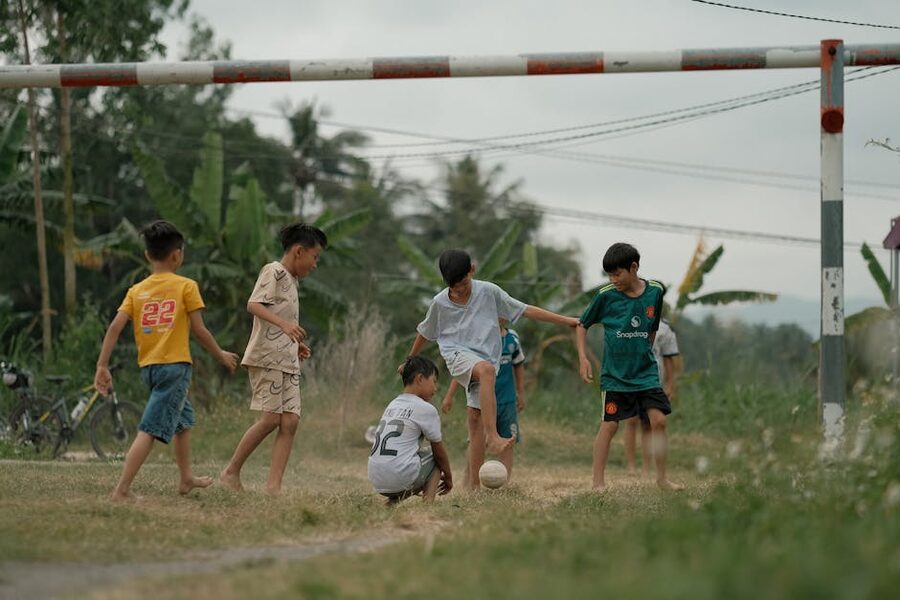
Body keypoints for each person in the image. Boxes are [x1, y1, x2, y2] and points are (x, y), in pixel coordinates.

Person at [94, 220, 239, 501]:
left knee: (182, 421)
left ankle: (186, 478)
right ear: (178, 255)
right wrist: (220, 354)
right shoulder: (186, 286)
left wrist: (102, 365)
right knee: (149, 429)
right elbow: (199, 330)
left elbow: (114, 328)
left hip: (150, 368)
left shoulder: (136, 291)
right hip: (176, 368)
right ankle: (121, 490)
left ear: (148, 255)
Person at [406, 249, 578, 456]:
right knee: (486, 371)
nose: (459, 290)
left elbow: (525, 310)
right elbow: (424, 332)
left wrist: (567, 320)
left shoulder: (489, 292)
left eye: (463, 283)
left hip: (486, 359)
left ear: (472, 270)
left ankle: (474, 485)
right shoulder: (439, 303)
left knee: (475, 416)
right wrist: (410, 360)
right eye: (454, 286)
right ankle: (493, 436)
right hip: (456, 354)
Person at [219, 223, 326, 496]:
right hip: (266, 357)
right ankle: (230, 472)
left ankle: (273, 487)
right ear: (299, 251)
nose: (315, 265)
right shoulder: (274, 271)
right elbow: (254, 305)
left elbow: (284, 319)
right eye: (315, 257)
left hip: (286, 359)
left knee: (290, 421)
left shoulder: (293, 281)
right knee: (270, 419)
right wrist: (285, 327)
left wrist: (296, 343)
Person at [575, 242, 683, 493]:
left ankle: (662, 479)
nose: (613, 280)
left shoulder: (655, 291)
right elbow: (582, 325)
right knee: (610, 425)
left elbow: (653, 325)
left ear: (634, 267)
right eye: (609, 275)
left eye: (617, 274)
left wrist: (644, 348)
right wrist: (583, 358)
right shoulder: (605, 296)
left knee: (659, 422)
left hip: (645, 374)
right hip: (615, 377)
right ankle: (598, 483)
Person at [442, 320, 525, 489]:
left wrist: (520, 393)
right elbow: (462, 369)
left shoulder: (513, 338)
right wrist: (449, 396)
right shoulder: (479, 340)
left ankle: (504, 484)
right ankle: (469, 483)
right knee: (476, 441)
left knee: (508, 442)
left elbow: (518, 366)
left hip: (507, 401)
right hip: (482, 402)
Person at [368, 356, 453, 504]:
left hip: (377, 480)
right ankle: (427, 507)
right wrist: (449, 478)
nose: (436, 388)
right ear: (420, 379)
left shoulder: (393, 404)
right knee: (434, 457)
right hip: (399, 477)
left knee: (407, 459)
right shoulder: (426, 409)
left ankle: (391, 503)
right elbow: (439, 452)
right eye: (434, 381)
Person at [624, 318, 680, 476]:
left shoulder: (666, 327)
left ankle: (647, 467)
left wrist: (670, 384)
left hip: (654, 381)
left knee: (649, 424)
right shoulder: (632, 320)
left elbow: (668, 357)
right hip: (631, 378)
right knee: (631, 420)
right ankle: (631, 466)